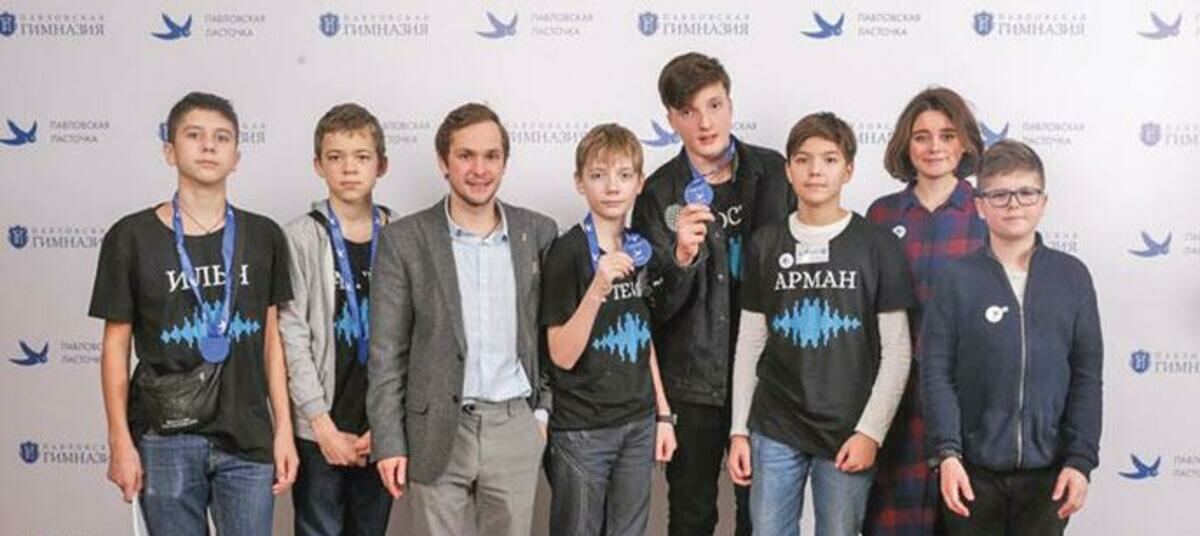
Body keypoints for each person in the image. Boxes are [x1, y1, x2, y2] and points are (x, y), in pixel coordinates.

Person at [90, 91, 297, 535]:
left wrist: (284, 429)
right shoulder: (130, 237)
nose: (208, 146)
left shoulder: (264, 235)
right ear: (169, 151)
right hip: (165, 437)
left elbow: (272, 341)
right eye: (194, 135)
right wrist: (119, 440)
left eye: (222, 137)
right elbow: (114, 348)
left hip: (248, 438)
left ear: (236, 157)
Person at [366, 102, 557, 536]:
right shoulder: (404, 240)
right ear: (443, 162)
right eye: (465, 156)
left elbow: (551, 333)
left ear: (504, 162)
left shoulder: (538, 232)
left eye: (491, 156)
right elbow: (386, 352)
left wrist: (542, 413)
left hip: (514, 424)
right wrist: (389, 441)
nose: (479, 169)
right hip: (434, 430)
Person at [727, 112, 914, 535]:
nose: (815, 170)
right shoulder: (765, 243)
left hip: (848, 427)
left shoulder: (877, 245)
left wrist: (870, 432)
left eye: (829, 159)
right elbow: (750, 343)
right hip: (775, 423)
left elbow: (897, 351)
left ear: (848, 169)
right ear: (788, 170)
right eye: (803, 159)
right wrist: (739, 430)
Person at [632, 51, 795, 536]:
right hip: (691, 381)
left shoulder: (775, 172)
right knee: (691, 516)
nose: (705, 123)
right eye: (688, 111)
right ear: (671, 119)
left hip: (768, 380)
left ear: (730, 103)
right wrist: (681, 258)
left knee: (763, 516)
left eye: (714, 105)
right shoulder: (659, 192)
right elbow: (651, 308)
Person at [921, 139, 1102, 535]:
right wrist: (947, 454)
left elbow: (1087, 377)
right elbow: (936, 373)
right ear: (980, 206)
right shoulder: (956, 279)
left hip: (1049, 476)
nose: (1014, 204)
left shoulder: (1072, 276)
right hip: (970, 474)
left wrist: (1080, 461)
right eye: (999, 194)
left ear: (1043, 202)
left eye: (1026, 192)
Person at [862, 87, 988, 536]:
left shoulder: (988, 212)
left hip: (968, 401)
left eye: (947, 135)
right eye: (922, 136)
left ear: (965, 143)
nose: (935, 146)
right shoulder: (881, 216)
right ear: (906, 144)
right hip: (894, 399)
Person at [541, 123, 677, 535]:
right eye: (598, 175)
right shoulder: (567, 252)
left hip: (638, 423)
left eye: (624, 175)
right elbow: (561, 354)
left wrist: (663, 414)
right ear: (579, 182)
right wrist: (597, 288)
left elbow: (642, 337)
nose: (612, 187)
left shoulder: (640, 249)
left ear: (640, 182)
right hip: (583, 428)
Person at [280, 103, 394, 536]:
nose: (349, 168)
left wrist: (387, 425)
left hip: (379, 425)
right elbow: (292, 335)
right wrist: (319, 424)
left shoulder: (400, 235)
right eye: (335, 157)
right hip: (320, 427)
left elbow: (414, 337)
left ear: (381, 165)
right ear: (318, 165)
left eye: (361, 157)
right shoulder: (299, 237)